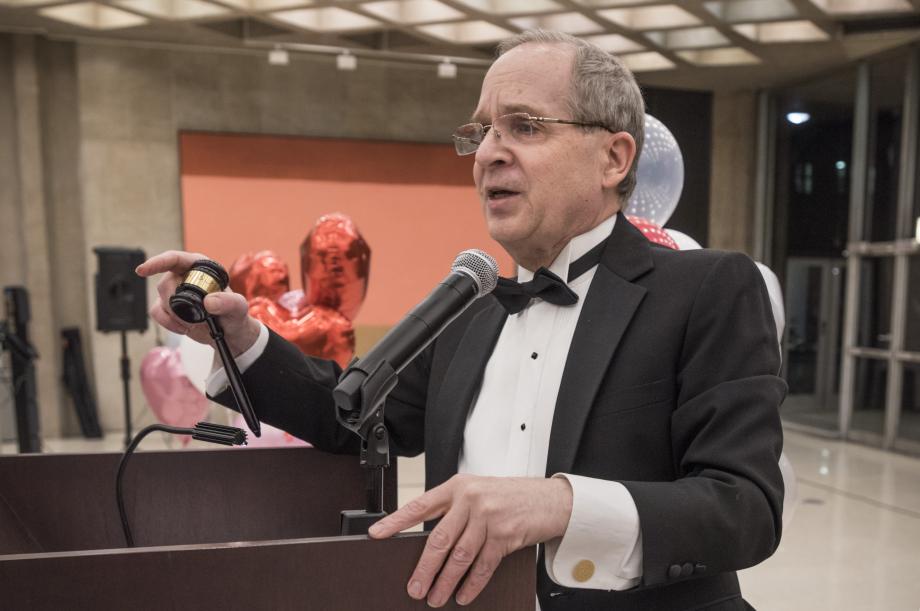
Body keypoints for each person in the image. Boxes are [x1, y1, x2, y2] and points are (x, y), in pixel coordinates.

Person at [138, 30, 785, 610]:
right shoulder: (471, 311)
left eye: (525, 126)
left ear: (613, 158)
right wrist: (241, 336)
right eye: (480, 133)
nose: (487, 155)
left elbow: (746, 507)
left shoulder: (708, 287)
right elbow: (353, 413)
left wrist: (559, 502)